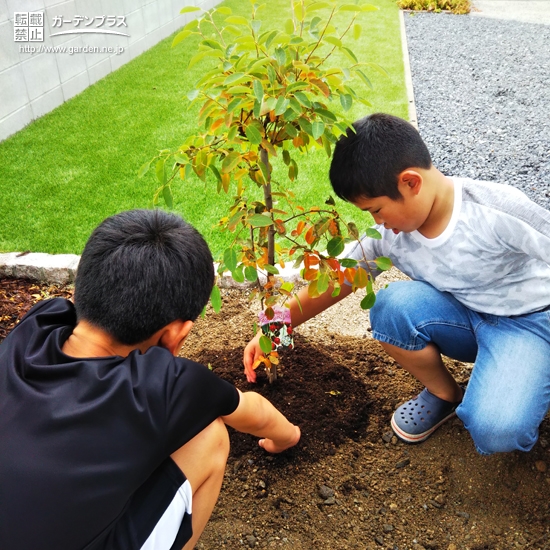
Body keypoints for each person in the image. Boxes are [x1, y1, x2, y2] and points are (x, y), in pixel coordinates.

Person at [244, 112, 550, 457]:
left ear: (410, 182)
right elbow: (334, 283)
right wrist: (272, 331)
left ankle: (524, 374)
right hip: (465, 318)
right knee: (389, 304)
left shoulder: (495, 211)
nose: (377, 222)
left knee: (497, 431)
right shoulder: (387, 237)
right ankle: (447, 394)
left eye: (376, 210)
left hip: (529, 323)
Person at [0, 209, 300, 550]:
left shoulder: (38, 324)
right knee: (210, 436)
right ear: (174, 335)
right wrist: (288, 437)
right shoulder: (166, 386)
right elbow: (255, 412)